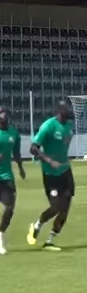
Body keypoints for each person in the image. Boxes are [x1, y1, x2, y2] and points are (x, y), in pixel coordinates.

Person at [26, 100, 75, 251]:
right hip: (50, 174)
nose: (68, 111)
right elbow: (33, 149)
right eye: (65, 109)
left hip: (65, 172)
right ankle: (37, 225)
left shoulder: (69, 125)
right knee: (55, 207)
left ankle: (50, 240)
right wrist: (49, 160)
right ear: (59, 111)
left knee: (65, 208)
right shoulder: (48, 126)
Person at [0, 106, 25, 255]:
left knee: (10, 208)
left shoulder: (13, 133)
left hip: (7, 177)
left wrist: (21, 168)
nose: (4, 115)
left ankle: (1, 234)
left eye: (5, 113)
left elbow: (16, 152)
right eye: (1, 113)